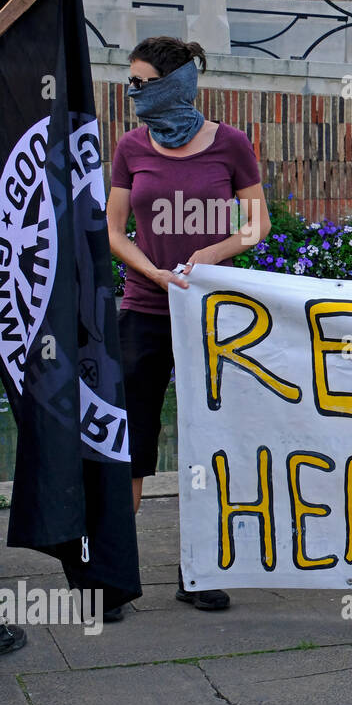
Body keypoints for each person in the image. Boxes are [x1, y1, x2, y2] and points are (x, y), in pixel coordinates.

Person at [106, 37, 271, 616]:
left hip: (209, 314)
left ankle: (198, 570)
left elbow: (256, 226)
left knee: (205, 439)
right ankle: (114, 575)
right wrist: (151, 271)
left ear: (175, 85)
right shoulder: (131, 146)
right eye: (130, 82)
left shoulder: (230, 145)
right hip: (145, 312)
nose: (132, 93)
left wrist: (209, 256)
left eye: (142, 83)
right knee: (132, 439)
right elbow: (115, 232)